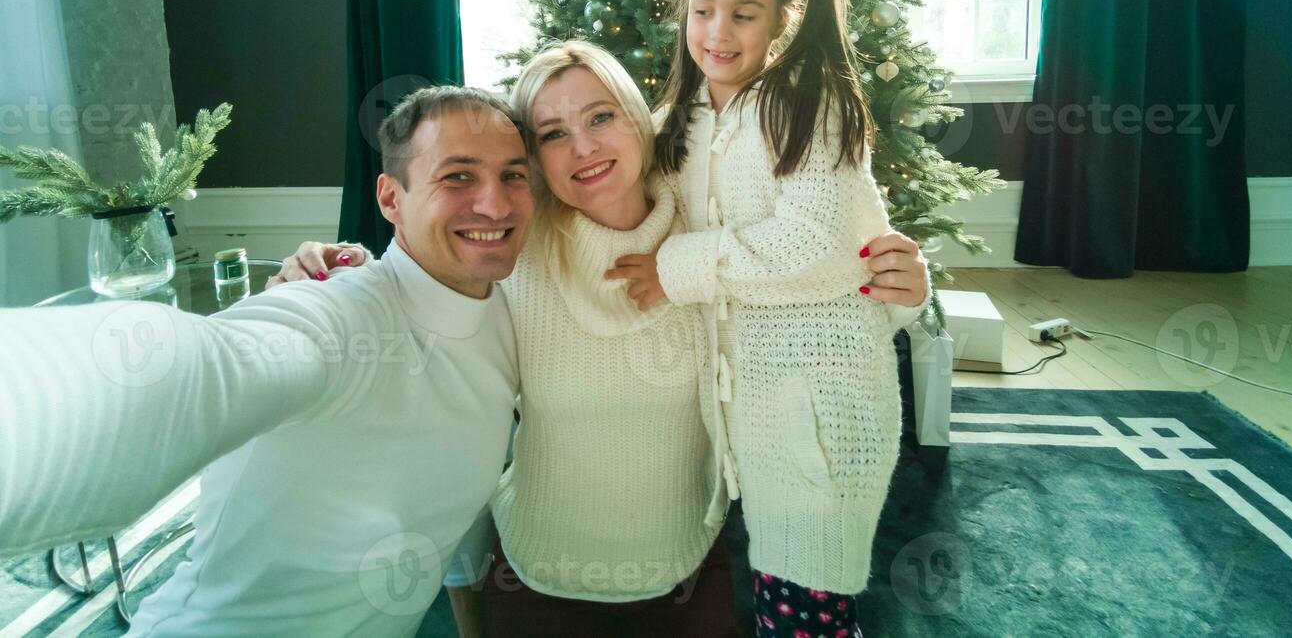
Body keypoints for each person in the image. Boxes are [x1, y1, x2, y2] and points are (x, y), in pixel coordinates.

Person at [280, 43, 931, 636]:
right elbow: (422, 283)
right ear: (533, 157)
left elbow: (809, 273)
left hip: (685, 568)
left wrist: (902, 286)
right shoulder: (518, 246)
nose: (583, 148)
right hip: (540, 573)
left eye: (601, 117)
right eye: (552, 134)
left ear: (638, 118)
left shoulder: (708, 224)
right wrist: (336, 275)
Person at [0, 87, 532, 637]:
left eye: (514, 175)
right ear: (391, 198)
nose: (495, 203)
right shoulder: (340, 315)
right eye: (458, 176)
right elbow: (200, 371)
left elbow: (453, 514)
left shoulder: (508, 312)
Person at [608, 0, 929, 638]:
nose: (717, 30)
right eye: (702, 8)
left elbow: (817, 247)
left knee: (804, 608)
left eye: (744, 13)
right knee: (730, 588)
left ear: (784, 17)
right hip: (729, 411)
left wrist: (675, 270)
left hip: (820, 410)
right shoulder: (673, 123)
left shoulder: (810, 106)